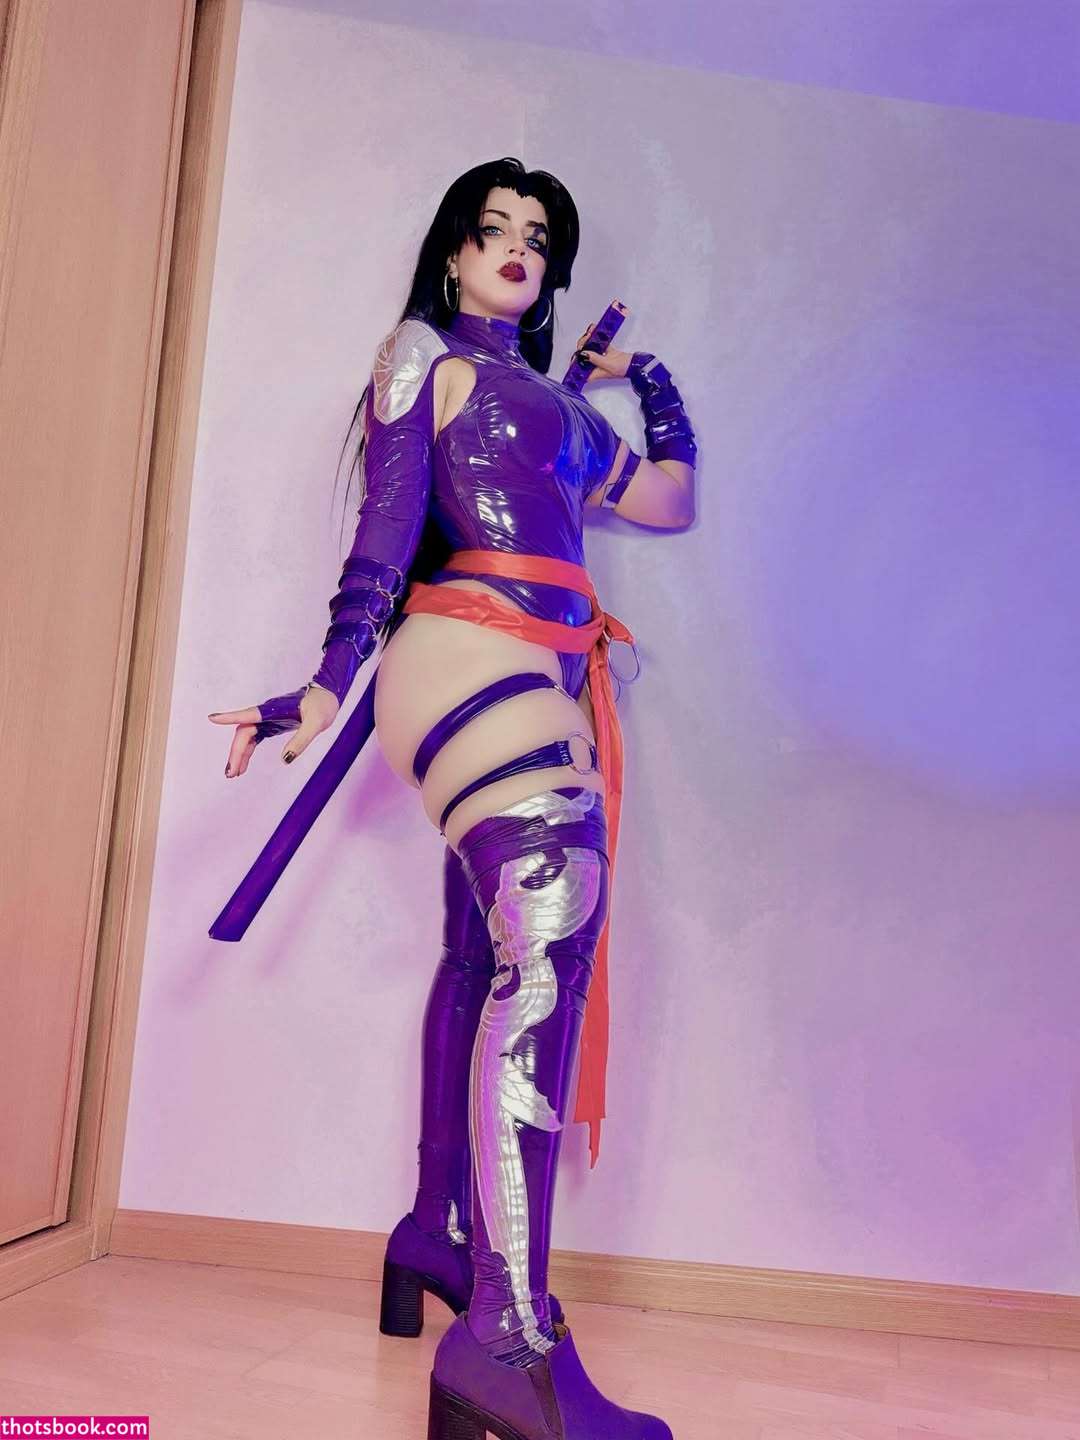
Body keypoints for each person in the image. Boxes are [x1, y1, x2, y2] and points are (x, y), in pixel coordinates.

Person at [208, 157, 696, 1440]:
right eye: (494, 230)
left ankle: (439, 1235)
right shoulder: (423, 355)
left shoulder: (569, 412)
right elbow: (387, 524)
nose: (517, 249)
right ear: (453, 255)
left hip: (541, 665)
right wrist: (323, 687)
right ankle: (507, 1339)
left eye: (538, 237)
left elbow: (670, 498)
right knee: (550, 938)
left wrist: (643, 379)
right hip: (468, 647)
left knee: (488, 958)